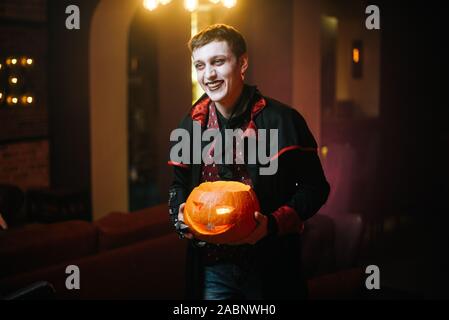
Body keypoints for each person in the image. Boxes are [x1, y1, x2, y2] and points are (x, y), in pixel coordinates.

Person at [168, 24, 330, 300]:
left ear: (242, 63)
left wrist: (273, 224)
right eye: (200, 65)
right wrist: (180, 217)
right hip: (211, 270)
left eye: (218, 62)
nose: (208, 75)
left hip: (272, 267)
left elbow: (316, 188)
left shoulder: (283, 120)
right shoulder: (190, 124)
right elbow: (177, 187)